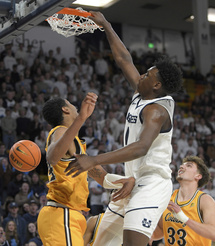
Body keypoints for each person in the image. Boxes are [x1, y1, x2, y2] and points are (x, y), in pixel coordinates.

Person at [65, 12, 183, 246]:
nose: (143, 75)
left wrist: (93, 159)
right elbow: (123, 59)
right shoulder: (143, 91)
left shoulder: (156, 110)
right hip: (131, 180)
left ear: (157, 85)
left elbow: (140, 148)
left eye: (148, 74)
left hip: (152, 183)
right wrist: (106, 25)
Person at [37, 92, 135, 246]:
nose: (76, 107)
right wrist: (81, 118)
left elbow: (102, 178)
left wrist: (126, 181)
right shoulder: (59, 131)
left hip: (72, 216)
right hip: (60, 214)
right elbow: (52, 157)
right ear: (65, 110)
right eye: (71, 104)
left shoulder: (78, 148)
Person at [149, 156, 215, 245]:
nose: (181, 166)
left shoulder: (204, 200)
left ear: (198, 176)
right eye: (182, 165)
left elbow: (213, 233)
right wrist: (149, 235)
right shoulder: (169, 197)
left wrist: (185, 219)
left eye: (189, 166)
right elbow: (161, 230)